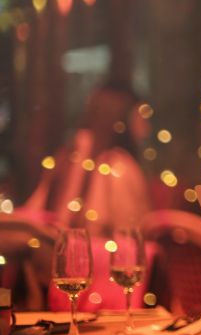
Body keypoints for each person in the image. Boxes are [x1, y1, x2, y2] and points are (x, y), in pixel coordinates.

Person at [21, 81, 152, 235]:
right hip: (74, 250)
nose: (146, 129)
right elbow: (129, 234)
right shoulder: (80, 158)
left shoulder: (80, 155)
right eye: (141, 119)